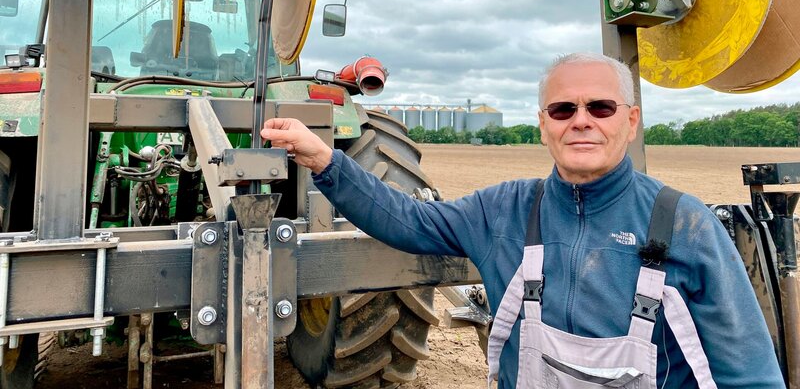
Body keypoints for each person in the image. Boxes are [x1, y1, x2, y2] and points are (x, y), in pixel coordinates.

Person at [261, 52, 784, 388]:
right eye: (562, 110)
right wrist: (326, 161)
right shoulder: (504, 212)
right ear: (543, 126)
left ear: (631, 120)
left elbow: (749, 376)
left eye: (600, 108)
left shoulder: (685, 227)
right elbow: (408, 220)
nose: (580, 120)